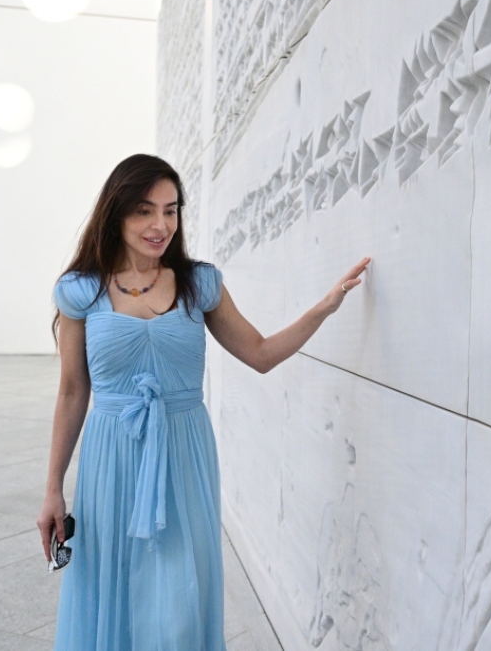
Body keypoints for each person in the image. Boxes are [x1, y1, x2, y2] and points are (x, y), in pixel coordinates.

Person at [37, 154, 369, 650]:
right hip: (111, 458)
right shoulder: (80, 291)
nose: (160, 225)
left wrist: (324, 307)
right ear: (116, 213)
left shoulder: (199, 284)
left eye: (170, 210)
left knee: (180, 607)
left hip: (183, 456)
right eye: (145, 211)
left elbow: (260, 353)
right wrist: (53, 489)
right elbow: (72, 390)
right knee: (112, 589)